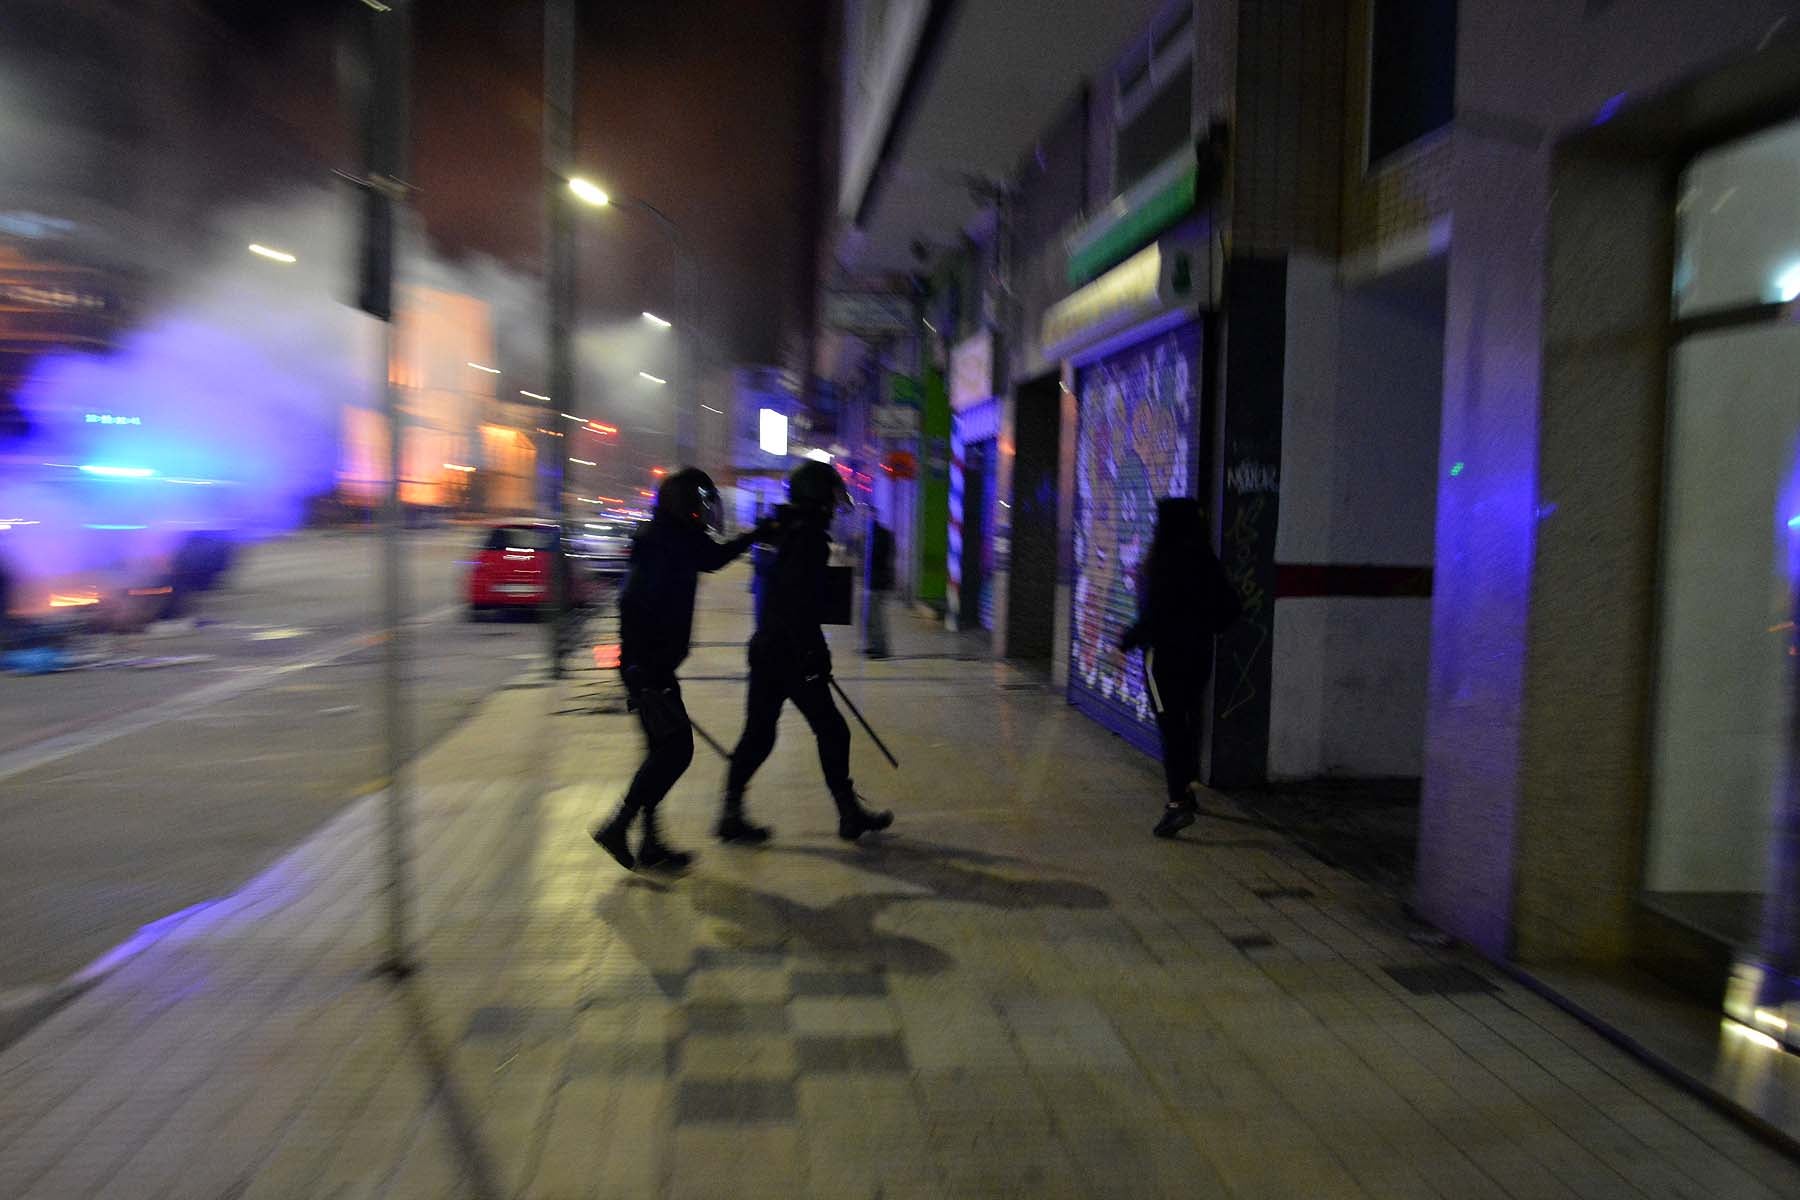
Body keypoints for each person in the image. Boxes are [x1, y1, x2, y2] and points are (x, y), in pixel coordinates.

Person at [593, 468, 772, 872]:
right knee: (676, 751)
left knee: (659, 753)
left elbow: (711, 558)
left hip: (647, 665)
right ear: (687, 504)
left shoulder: (664, 535)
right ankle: (618, 826)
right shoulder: (669, 539)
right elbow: (709, 560)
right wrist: (758, 533)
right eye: (702, 503)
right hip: (649, 667)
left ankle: (650, 843)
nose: (706, 511)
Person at [716, 459, 894, 845]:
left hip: (768, 649)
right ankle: (848, 814)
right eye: (831, 496)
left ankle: (730, 811)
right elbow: (795, 602)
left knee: (759, 736)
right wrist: (814, 653)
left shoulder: (784, 530)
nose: (834, 505)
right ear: (817, 498)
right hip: (790, 653)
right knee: (832, 730)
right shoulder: (809, 538)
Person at [1121, 497, 1240, 839]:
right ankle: (1185, 791)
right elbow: (1231, 606)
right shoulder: (1205, 560)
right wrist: (1204, 625)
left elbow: (1155, 617)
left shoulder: (1163, 562)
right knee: (1186, 723)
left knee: (1171, 728)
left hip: (1164, 659)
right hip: (1198, 655)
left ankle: (1177, 804)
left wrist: (1126, 641)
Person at [862, 518, 895, 658]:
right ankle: (874, 645)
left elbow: (877, 556)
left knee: (876, 618)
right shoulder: (881, 535)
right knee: (871, 616)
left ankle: (880, 649)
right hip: (875, 581)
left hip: (877, 583)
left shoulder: (879, 538)